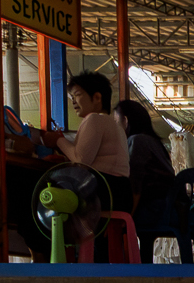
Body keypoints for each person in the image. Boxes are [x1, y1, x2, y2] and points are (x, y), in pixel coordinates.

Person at [36, 70, 131, 212]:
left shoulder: (94, 119)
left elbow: (81, 161)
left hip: (104, 191)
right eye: (72, 96)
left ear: (97, 97)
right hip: (121, 193)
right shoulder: (114, 125)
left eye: (78, 95)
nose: (73, 101)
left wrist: (58, 140)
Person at [115, 98, 194, 263]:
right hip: (175, 208)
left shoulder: (137, 141)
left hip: (160, 210)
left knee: (112, 221)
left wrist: (127, 217)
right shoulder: (153, 141)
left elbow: (135, 186)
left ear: (125, 121)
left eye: (116, 122)